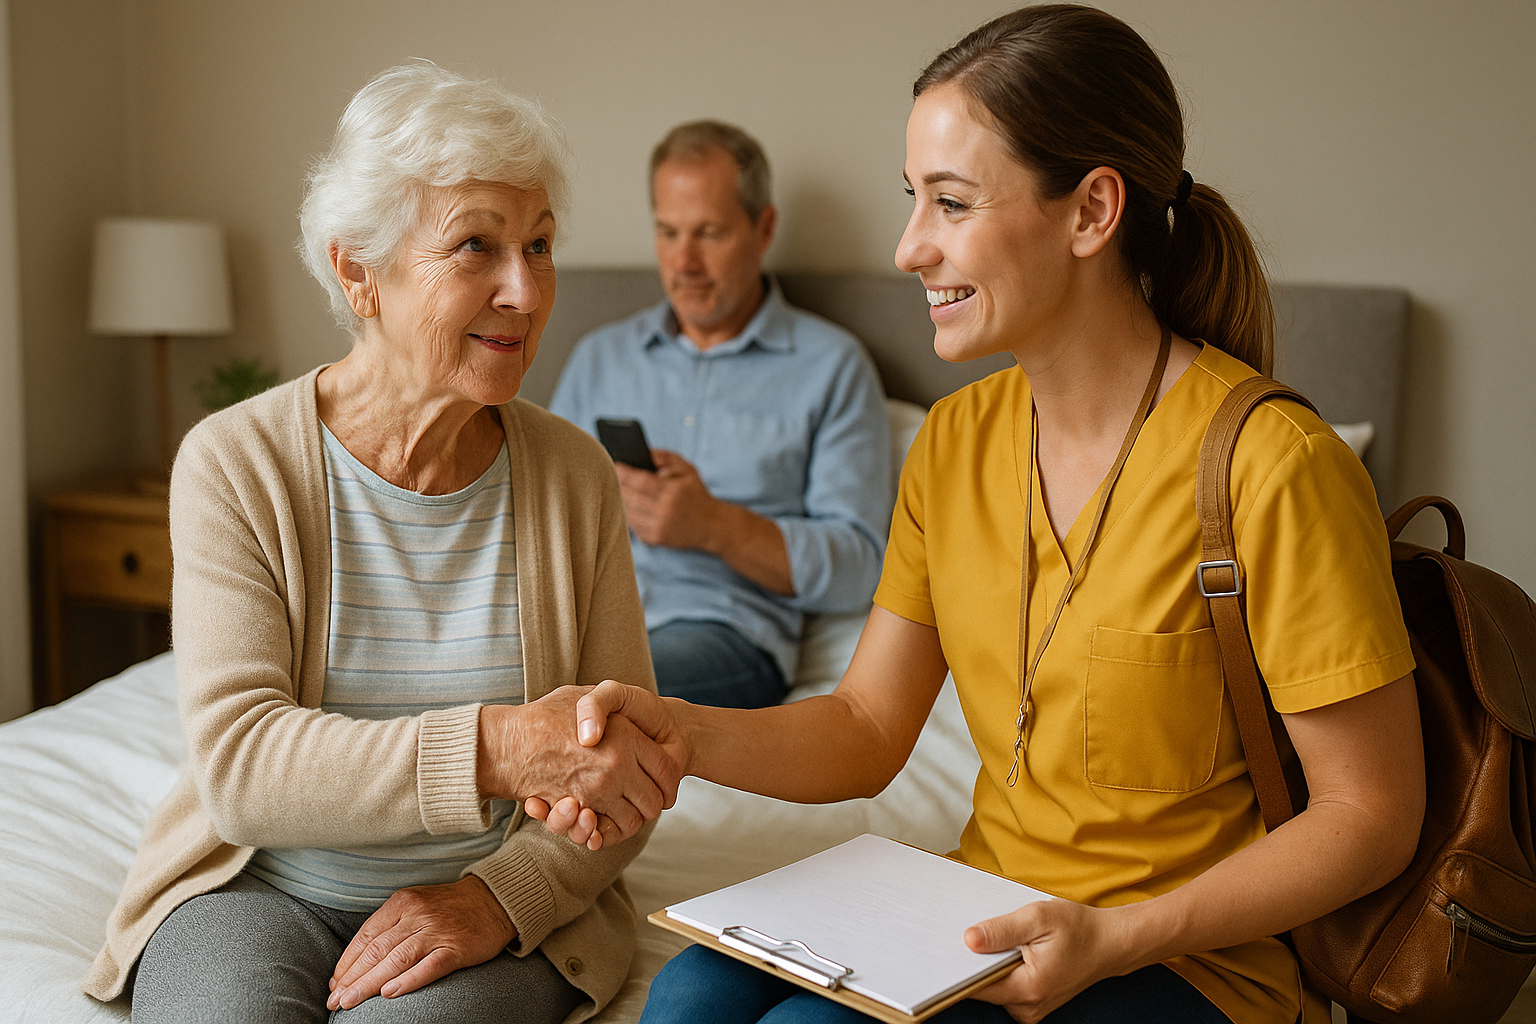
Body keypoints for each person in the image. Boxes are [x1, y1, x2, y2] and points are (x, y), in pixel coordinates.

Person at [535, 6, 1426, 1024]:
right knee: (688, 996)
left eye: (951, 203)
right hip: (986, 909)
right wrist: (681, 731)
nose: (909, 246)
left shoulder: (1275, 465)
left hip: (1187, 961)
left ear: (1092, 212)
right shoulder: (953, 443)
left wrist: (1117, 937)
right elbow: (868, 727)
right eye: (913, 199)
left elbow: (1373, 813)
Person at [82, 63, 680, 1024]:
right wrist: (499, 748)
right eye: (476, 245)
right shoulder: (236, 463)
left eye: (538, 245)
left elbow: (625, 772)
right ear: (358, 272)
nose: (525, 290)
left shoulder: (574, 475)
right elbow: (241, 769)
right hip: (257, 890)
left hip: (484, 897)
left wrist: (501, 897)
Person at [547, 120, 891, 710]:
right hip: (586, 623)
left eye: (709, 233)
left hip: (727, 635)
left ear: (764, 228)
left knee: (601, 697)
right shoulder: (601, 358)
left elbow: (860, 566)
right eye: (668, 232)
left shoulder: (832, 367)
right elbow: (538, 512)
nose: (684, 261)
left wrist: (713, 526)